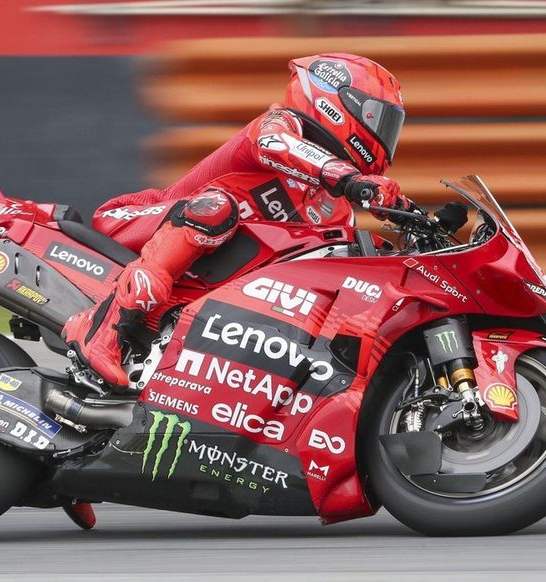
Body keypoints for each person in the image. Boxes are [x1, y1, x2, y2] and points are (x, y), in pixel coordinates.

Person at [63, 53, 409, 389]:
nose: (384, 134)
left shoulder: (338, 211)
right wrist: (349, 179)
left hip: (204, 278)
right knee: (216, 208)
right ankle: (100, 329)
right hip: (137, 219)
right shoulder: (280, 126)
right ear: (334, 102)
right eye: (377, 119)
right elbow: (275, 144)